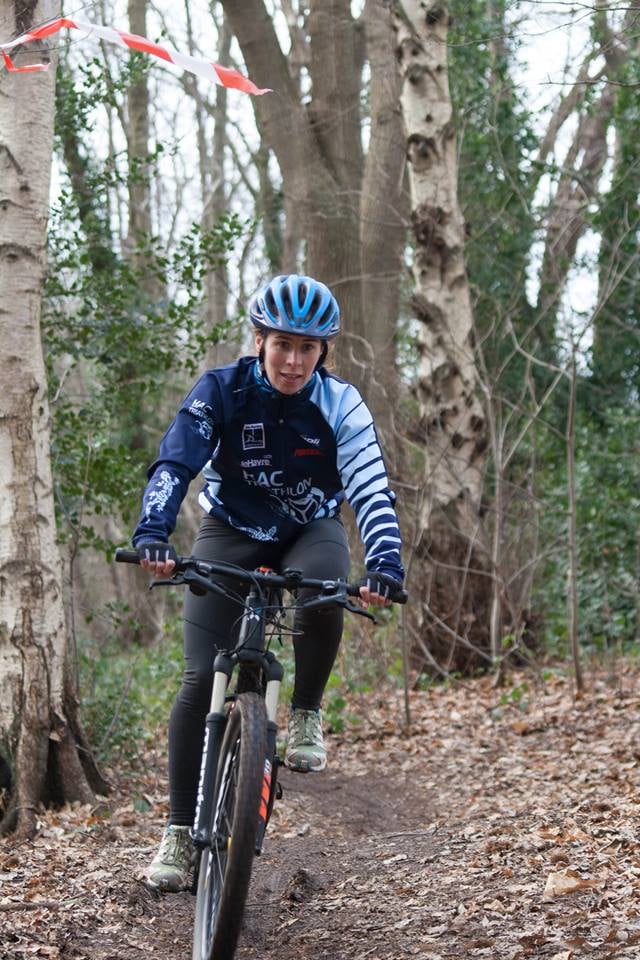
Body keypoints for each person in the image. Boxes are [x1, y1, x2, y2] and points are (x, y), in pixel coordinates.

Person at [132, 274, 405, 891]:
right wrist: (154, 531)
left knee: (324, 583)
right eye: (283, 344)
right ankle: (178, 832)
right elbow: (176, 461)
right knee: (199, 679)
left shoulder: (341, 404)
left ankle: (305, 710)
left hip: (310, 530)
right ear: (259, 341)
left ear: (323, 351)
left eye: (307, 348)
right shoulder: (221, 390)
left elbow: (370, 488)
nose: (293, 361)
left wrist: (385, 563)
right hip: (231, 529)